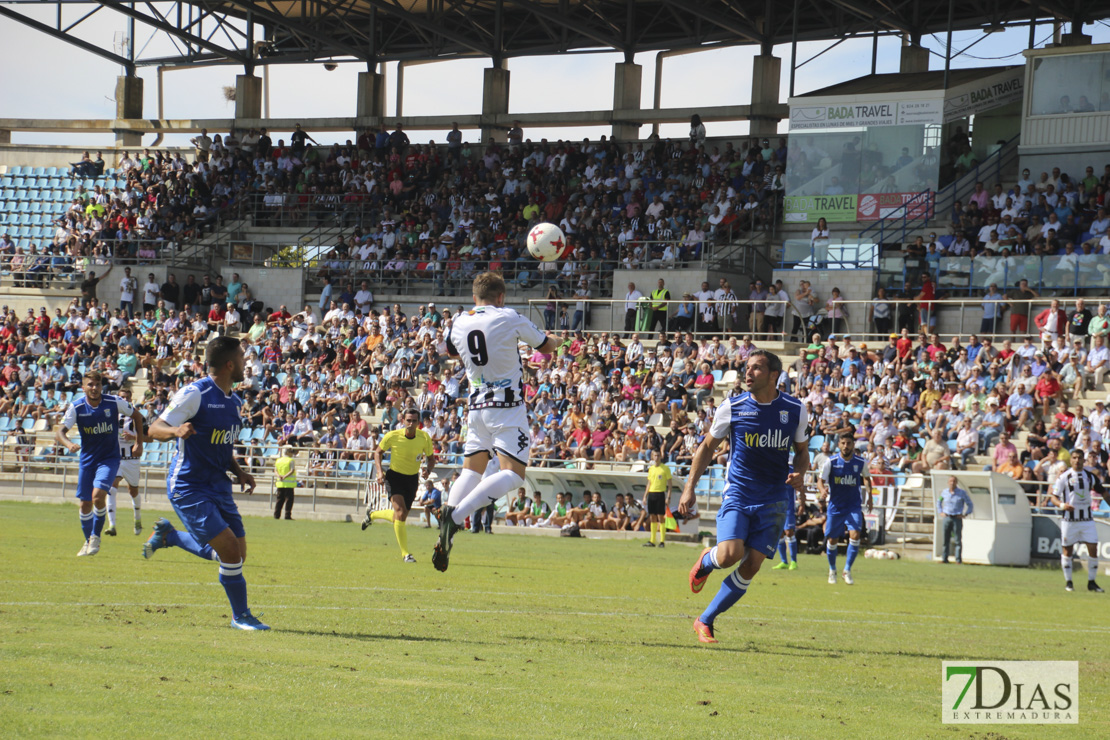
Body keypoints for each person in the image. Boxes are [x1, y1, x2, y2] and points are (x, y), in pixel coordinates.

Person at [679, 350, 809, 644]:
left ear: (774, 375)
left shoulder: (796, 409)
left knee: (751, 566)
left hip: (775, 497)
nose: (748, 373)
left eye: (757, 368)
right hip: (739, 491)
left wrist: (800, 473)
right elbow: (707, 448)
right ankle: (707, 560)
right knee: (729, 555)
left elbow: (802, 454)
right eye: (746, 368)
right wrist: (689, 488)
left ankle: (705, 620)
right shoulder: (732, 406)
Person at [140, 336, 268, 631]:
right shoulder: (195, 393)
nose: (245, 363)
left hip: (218, 484)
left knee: (237, 553)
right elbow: (154, 428)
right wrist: (175, 431)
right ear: (229, 364)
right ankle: (241, 616)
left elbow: (222, 446)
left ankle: (170, 537)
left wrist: (239, 471)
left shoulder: (234, 401)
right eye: (241, 358)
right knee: (229, 550)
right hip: (189, 486)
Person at [432, 272, 558, 572]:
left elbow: (450, 349)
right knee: (513, 474)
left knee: (471, 471)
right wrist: (558, 339)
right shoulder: (508, 316)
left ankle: (449, 515)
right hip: (507, 407)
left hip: (475, 407)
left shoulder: (459, 321)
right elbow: (544, 346)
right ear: (500, 297)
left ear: (474, 296)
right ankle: (455, 516)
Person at [54, 371, 144, 556]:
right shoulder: (77, 407)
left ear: (101, 386)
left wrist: (139, 443)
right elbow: (60, 432)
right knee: (85, 504)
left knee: (97, 496)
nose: (94, 388)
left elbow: (137, 416)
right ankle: (88, 541)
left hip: (109, 459)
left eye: (97, 384)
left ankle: (96, 536)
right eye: (90, 385)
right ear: (83, 387)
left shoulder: (113, 402)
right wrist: (69, 444)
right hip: (88, 460)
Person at [363, 407, 435, 563]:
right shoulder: (392, 436)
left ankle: (372, 515)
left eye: (414, 421)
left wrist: (428, 470)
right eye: (408, 420)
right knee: (400, 513)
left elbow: (431, 458)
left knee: (399, 516)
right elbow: (377, 452)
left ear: (418, 423)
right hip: (394, 477)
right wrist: (380, 472)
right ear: (403, 421)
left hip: (412, 480)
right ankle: (405, 554)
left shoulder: (424, 438)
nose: (410, 423)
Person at [816, 431, 872, 585]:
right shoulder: (831, 462)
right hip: (836, 507)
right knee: (832, 539)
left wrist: (870, 497)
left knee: (855, 535)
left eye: (848, 443)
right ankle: (832, 570)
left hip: (853, 506)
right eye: (843, 443)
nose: (846, 446)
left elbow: (867, 478)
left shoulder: (860, 462)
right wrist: (822, 490)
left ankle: (847, 570)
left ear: (853, 445)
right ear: (839, 444)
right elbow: (820, 481)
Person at [1049, 451, 1109, 592]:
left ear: (1084, 460)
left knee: (1093, 549)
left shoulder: (1090, 477)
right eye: (1074, 458)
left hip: (1087, 520)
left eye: (1079, 458)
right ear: (1071, 460)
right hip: (1069, 520)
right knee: (1067, 550)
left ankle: (1091, 583)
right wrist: (1063, 505)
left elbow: (1103, 492)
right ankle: (1069, 582)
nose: (1077, 460)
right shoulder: (1064, 477)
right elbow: (1053, 497)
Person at [105, 388, 143, 536]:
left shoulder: (136, 416)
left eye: (127, 397)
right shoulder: (111, 415)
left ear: (131, 399)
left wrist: (134, 438)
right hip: (116, 458)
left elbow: (149, 436)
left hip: (132, 459)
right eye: (122, 397)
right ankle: (112, 525)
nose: (125, 400)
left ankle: (137, 519)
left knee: (133, 491)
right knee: (112, 487)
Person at [936, 476, 974, 565]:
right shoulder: (944, 492)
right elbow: (939, 501)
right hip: (947, 517)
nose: (952, 483)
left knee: (957, 539)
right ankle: (944, 558)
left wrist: (965, 514)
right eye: (950, 481)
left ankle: (958, 559)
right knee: (946, 539)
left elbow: (970, 504)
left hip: (957, 518)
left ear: (956, 483)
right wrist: (940, 512)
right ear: (948, 482)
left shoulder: (962, 493)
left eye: (954, 481)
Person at [643, 450, 672, 548]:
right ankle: (652, 540)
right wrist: (645, 496)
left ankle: (662, 541)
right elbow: (649, 483)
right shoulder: (651, 469)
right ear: (652, 456)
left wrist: (668, 496)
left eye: (658, 455)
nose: (656, 457)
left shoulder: (665, 468)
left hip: (660, 494)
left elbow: (670, 484)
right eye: (655, 455)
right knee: (652, 517)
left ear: (661, 456)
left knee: (660, 517)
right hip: (651, 494)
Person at [274, 447, 297, 520]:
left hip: (280, 483)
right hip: (289, 485)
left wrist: (279, 476)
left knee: (279, 500)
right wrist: (284, 476)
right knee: (289, 500)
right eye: (291, 452)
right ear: (288, 452)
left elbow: (275, 470)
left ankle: (276, 515)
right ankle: (287, 515)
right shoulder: (291, 460)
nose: (292, 454)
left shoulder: (278, 460)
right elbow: (292, 470)